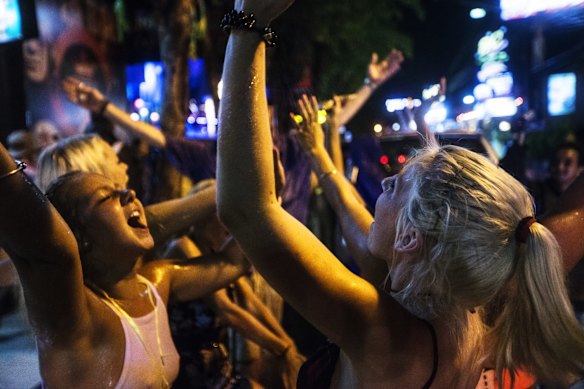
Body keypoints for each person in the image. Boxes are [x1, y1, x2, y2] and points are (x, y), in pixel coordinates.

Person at [216, 1, 584, 388]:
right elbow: (359, 225)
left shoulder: (380, 334)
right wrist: (320, 157)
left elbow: (246, 208)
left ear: (410, 237)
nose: (385, 185)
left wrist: (249, 25)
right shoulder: (495, 290)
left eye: (394, 186)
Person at [0, 140, 250, 387]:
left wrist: (263, 201)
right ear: (79, 237)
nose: (129, 192)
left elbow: (233, 262)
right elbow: (20, 204)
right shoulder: (73, 316)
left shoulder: (156, 282)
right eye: (106, 197)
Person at [36, 133, 217, 255]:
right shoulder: (133, 230)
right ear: (95, 172)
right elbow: (208, 199)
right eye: (116, 160)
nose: (125, 166)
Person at [533, 142, 583, 216]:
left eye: (567, 163)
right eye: (556, 162)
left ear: (580, 169)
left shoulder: (580, 199)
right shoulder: (536, 193)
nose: (560, 167)